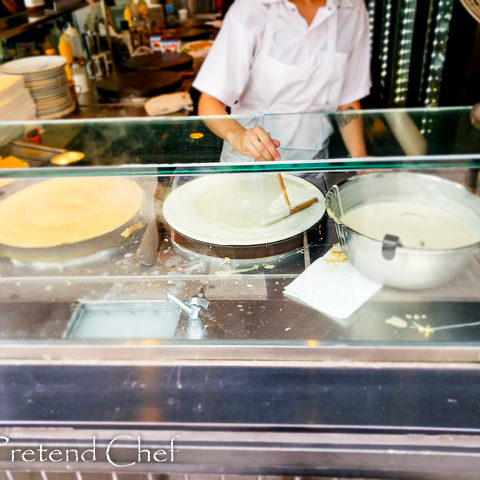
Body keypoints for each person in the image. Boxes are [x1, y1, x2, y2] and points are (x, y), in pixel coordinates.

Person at [192, 0, 371, 164]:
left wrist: (360, 159)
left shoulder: (352, 9)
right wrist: (238, 136)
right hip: (249, 166)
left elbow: (347, 99)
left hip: (311, 169)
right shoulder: (251, 8)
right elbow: (210, 102)